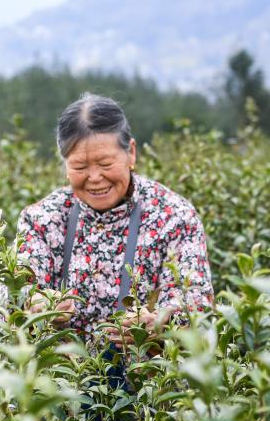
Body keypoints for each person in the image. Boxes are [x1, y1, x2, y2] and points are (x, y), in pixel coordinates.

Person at [17, 93, 213, 349]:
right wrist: (33, 304)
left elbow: (196, 302)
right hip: (60, 384)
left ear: (131, 153)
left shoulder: (174, 216)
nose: (95, 177)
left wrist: (161, 324)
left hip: (151, 383)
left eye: (105, 163)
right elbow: (12, 293)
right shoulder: (43, 219)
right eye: (79, 167)